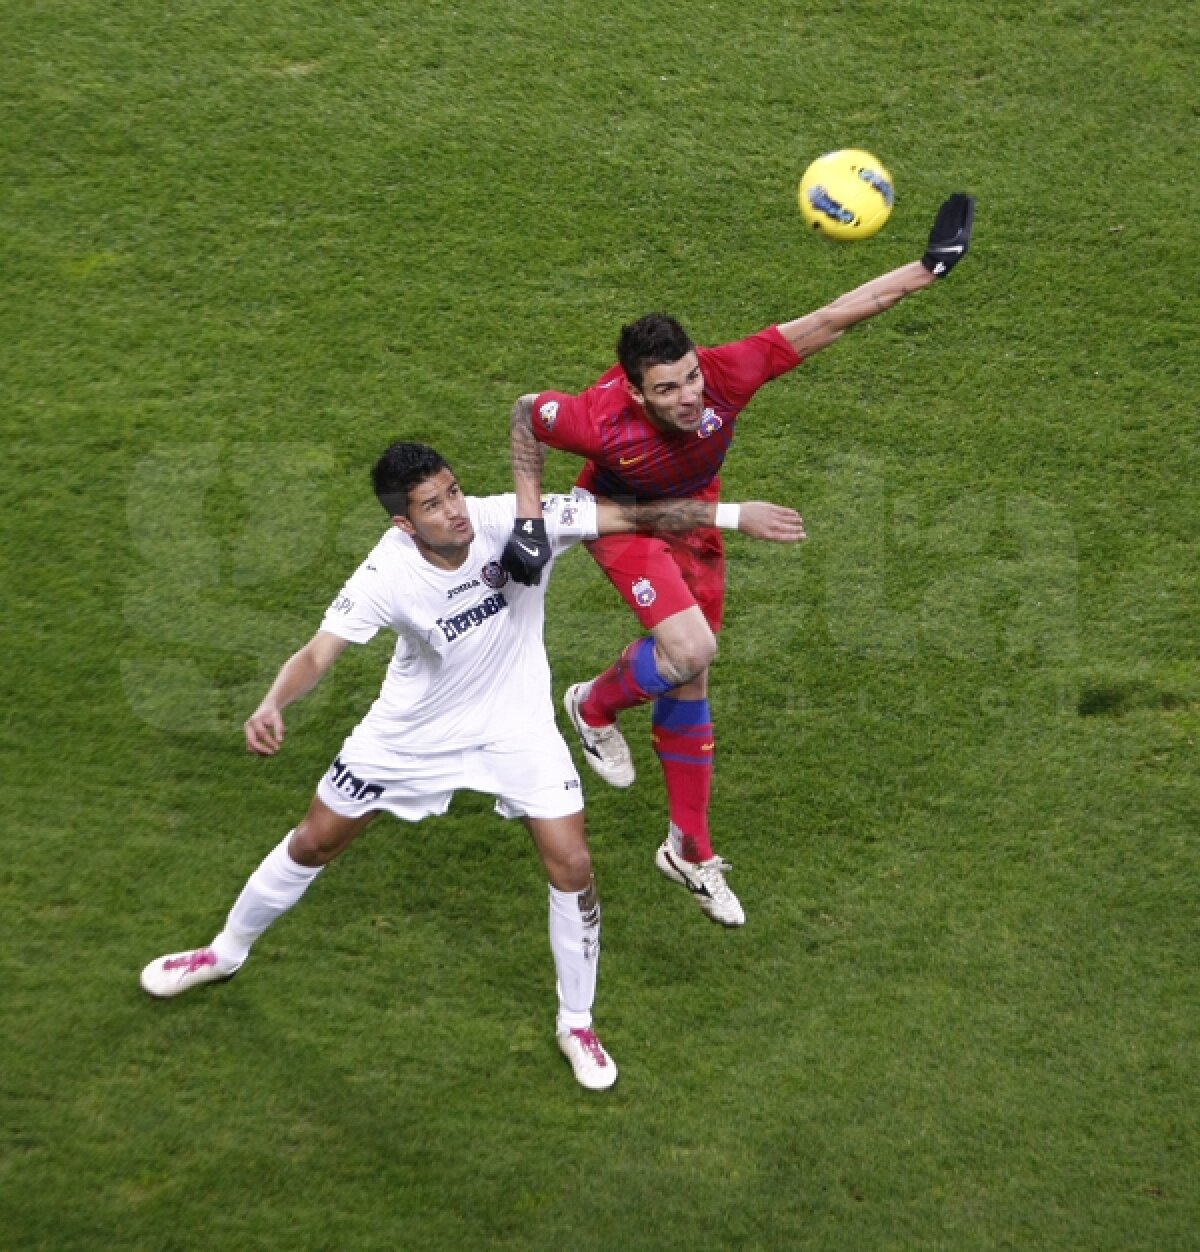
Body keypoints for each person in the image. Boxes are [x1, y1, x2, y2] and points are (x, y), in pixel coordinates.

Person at [140, 441, 804, 1090]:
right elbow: (319, 652)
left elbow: (629, 515)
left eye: (454, 491)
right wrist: (272, 702)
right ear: (404, 522)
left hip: (516, 729)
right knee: (314, 841)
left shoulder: (506, 521)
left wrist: (732, 513)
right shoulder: (386, 574)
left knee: (572, 865)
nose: (455, 510)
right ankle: (223, 952)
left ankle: (577, 1024)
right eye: (433, 504)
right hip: (412, 732)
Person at [500, 193, 976, 928]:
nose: (690, 397)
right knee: (690, 647)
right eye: (668, 388)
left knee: (691, 670)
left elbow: (829, 319)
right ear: (634, 390)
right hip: (621, 521)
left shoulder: (724, 376)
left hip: (695, 518)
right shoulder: (596, 422)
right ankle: (593, 706)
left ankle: (687, 851)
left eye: (690, 377)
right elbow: (528, 413)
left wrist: (926, 269)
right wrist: (531, 515)